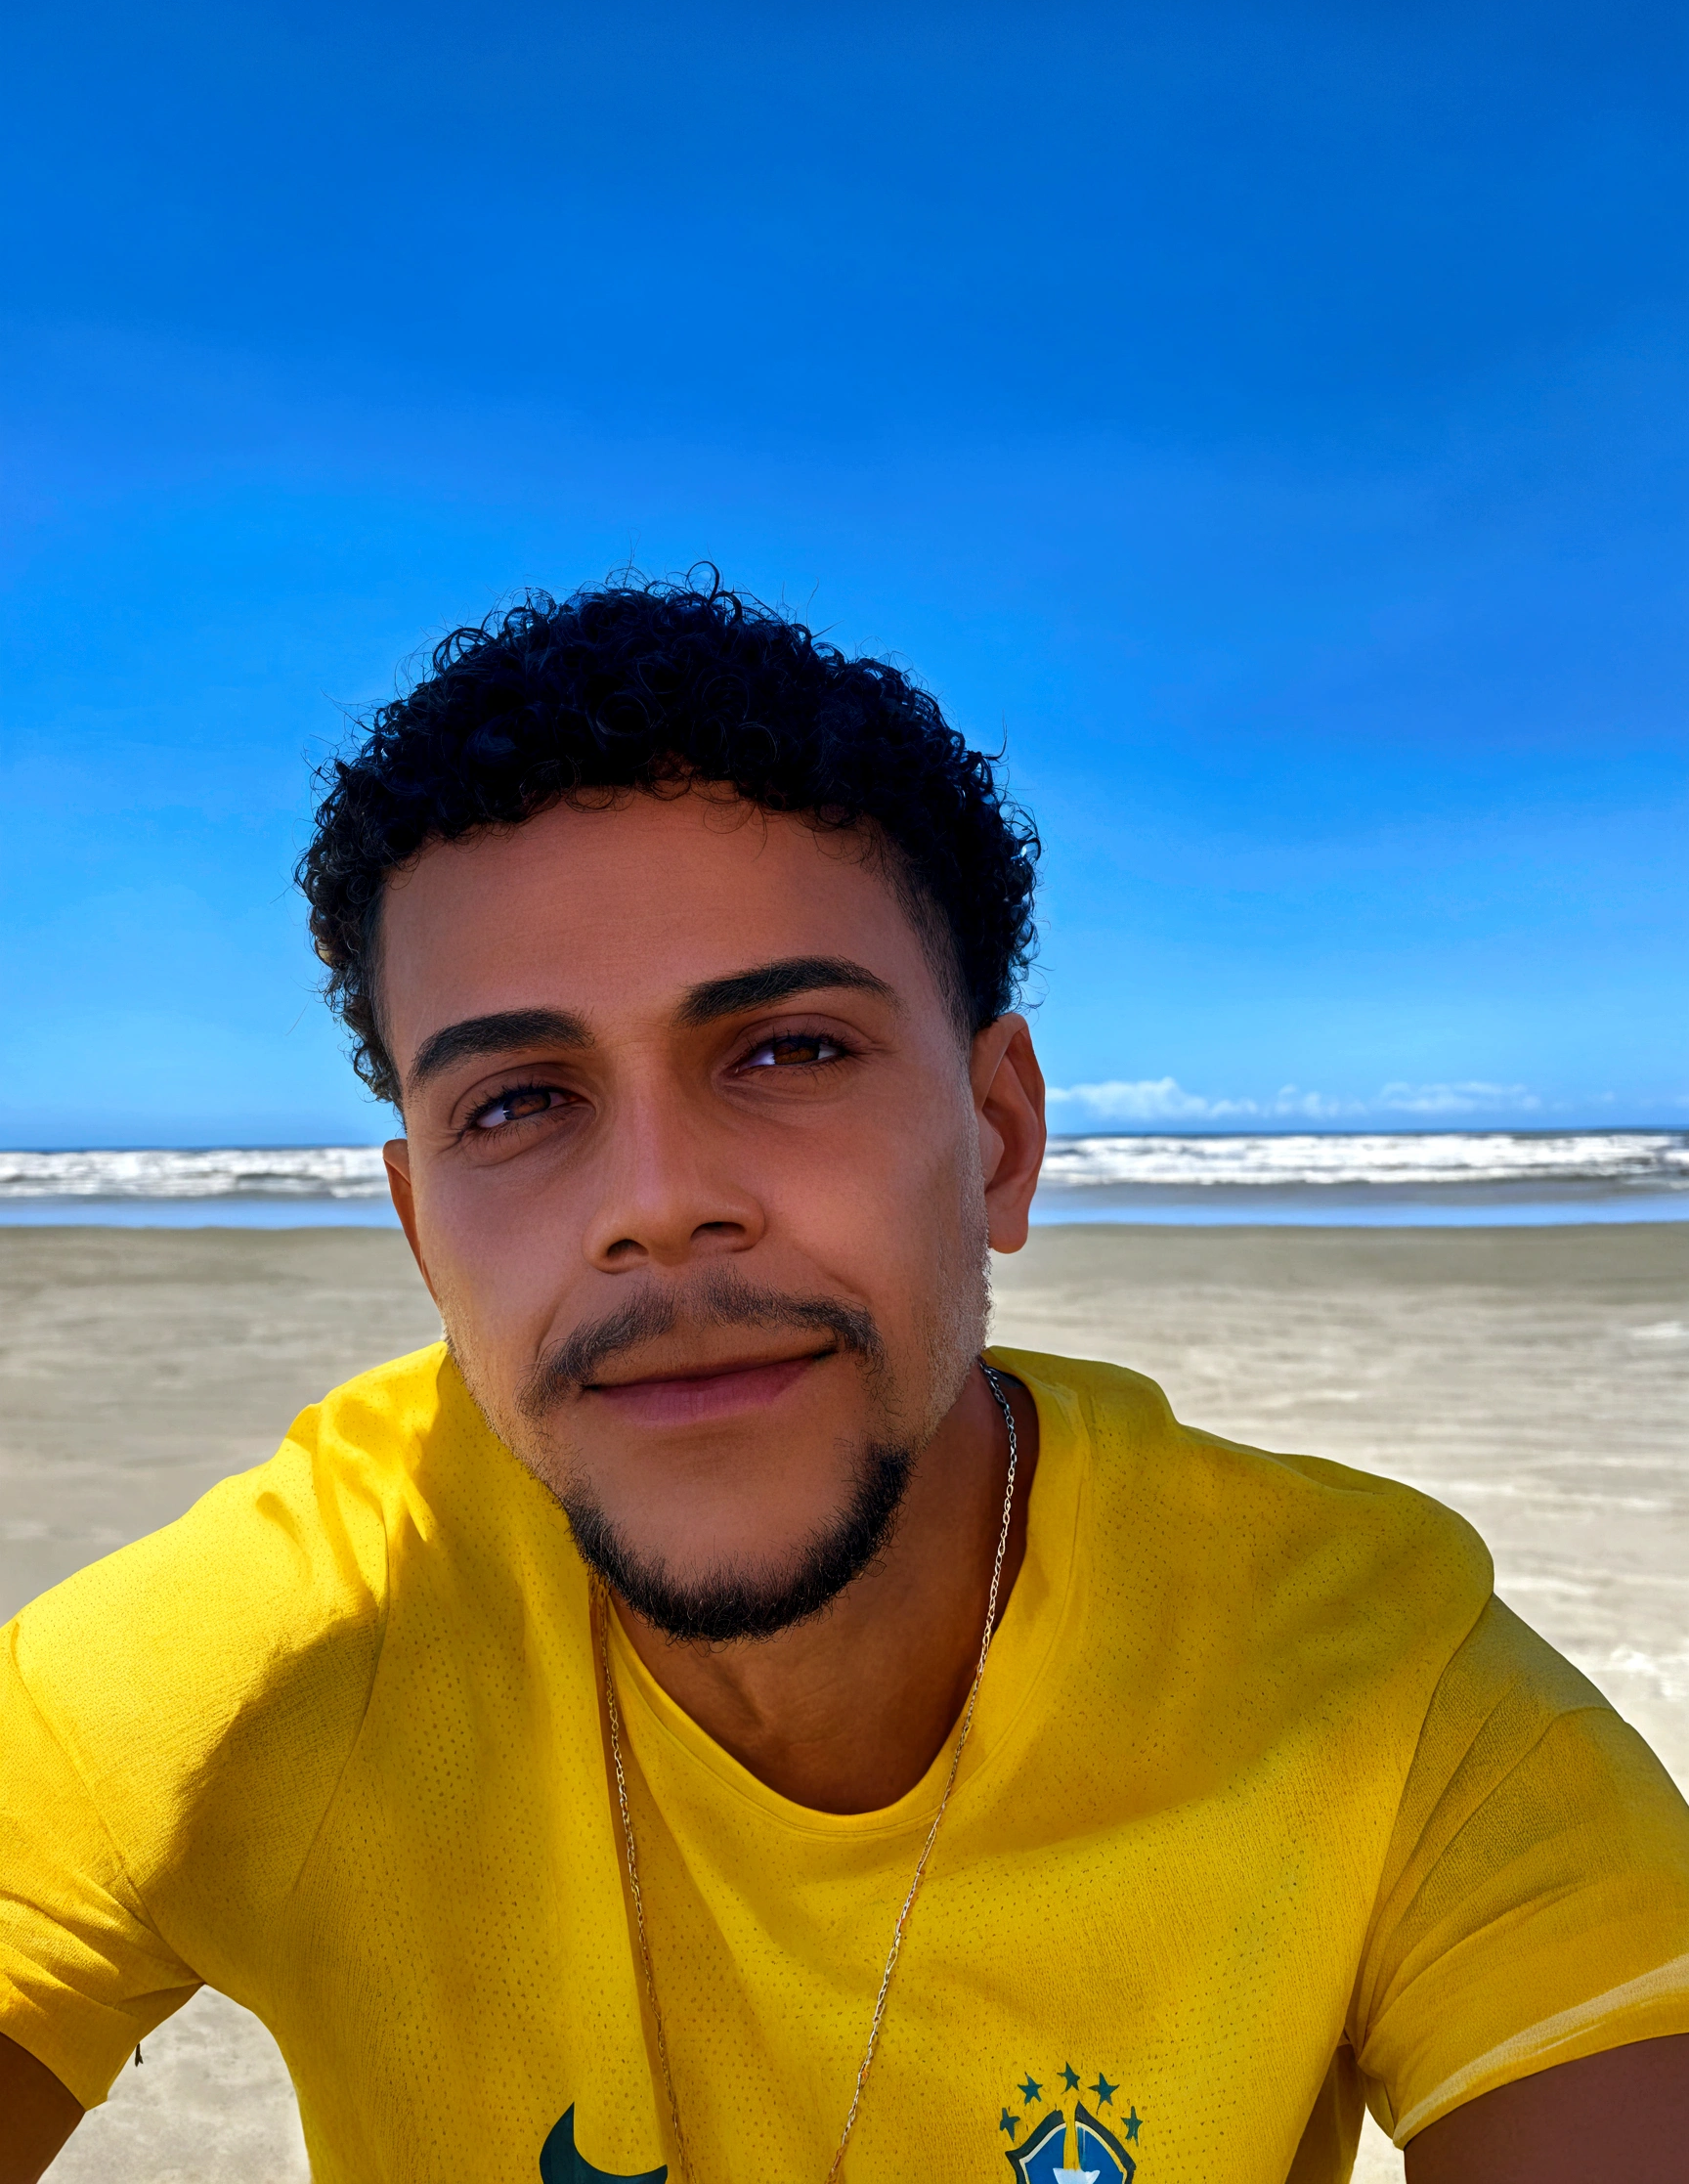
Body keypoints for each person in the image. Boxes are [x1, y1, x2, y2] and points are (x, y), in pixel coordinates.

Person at [2, 578, 1686, 2184]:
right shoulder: (283, 1653)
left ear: (1001, 1138)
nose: (657, 1201)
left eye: (790, 1050)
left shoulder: (1373, 1693)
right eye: (516, 1101)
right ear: (428, 1237)